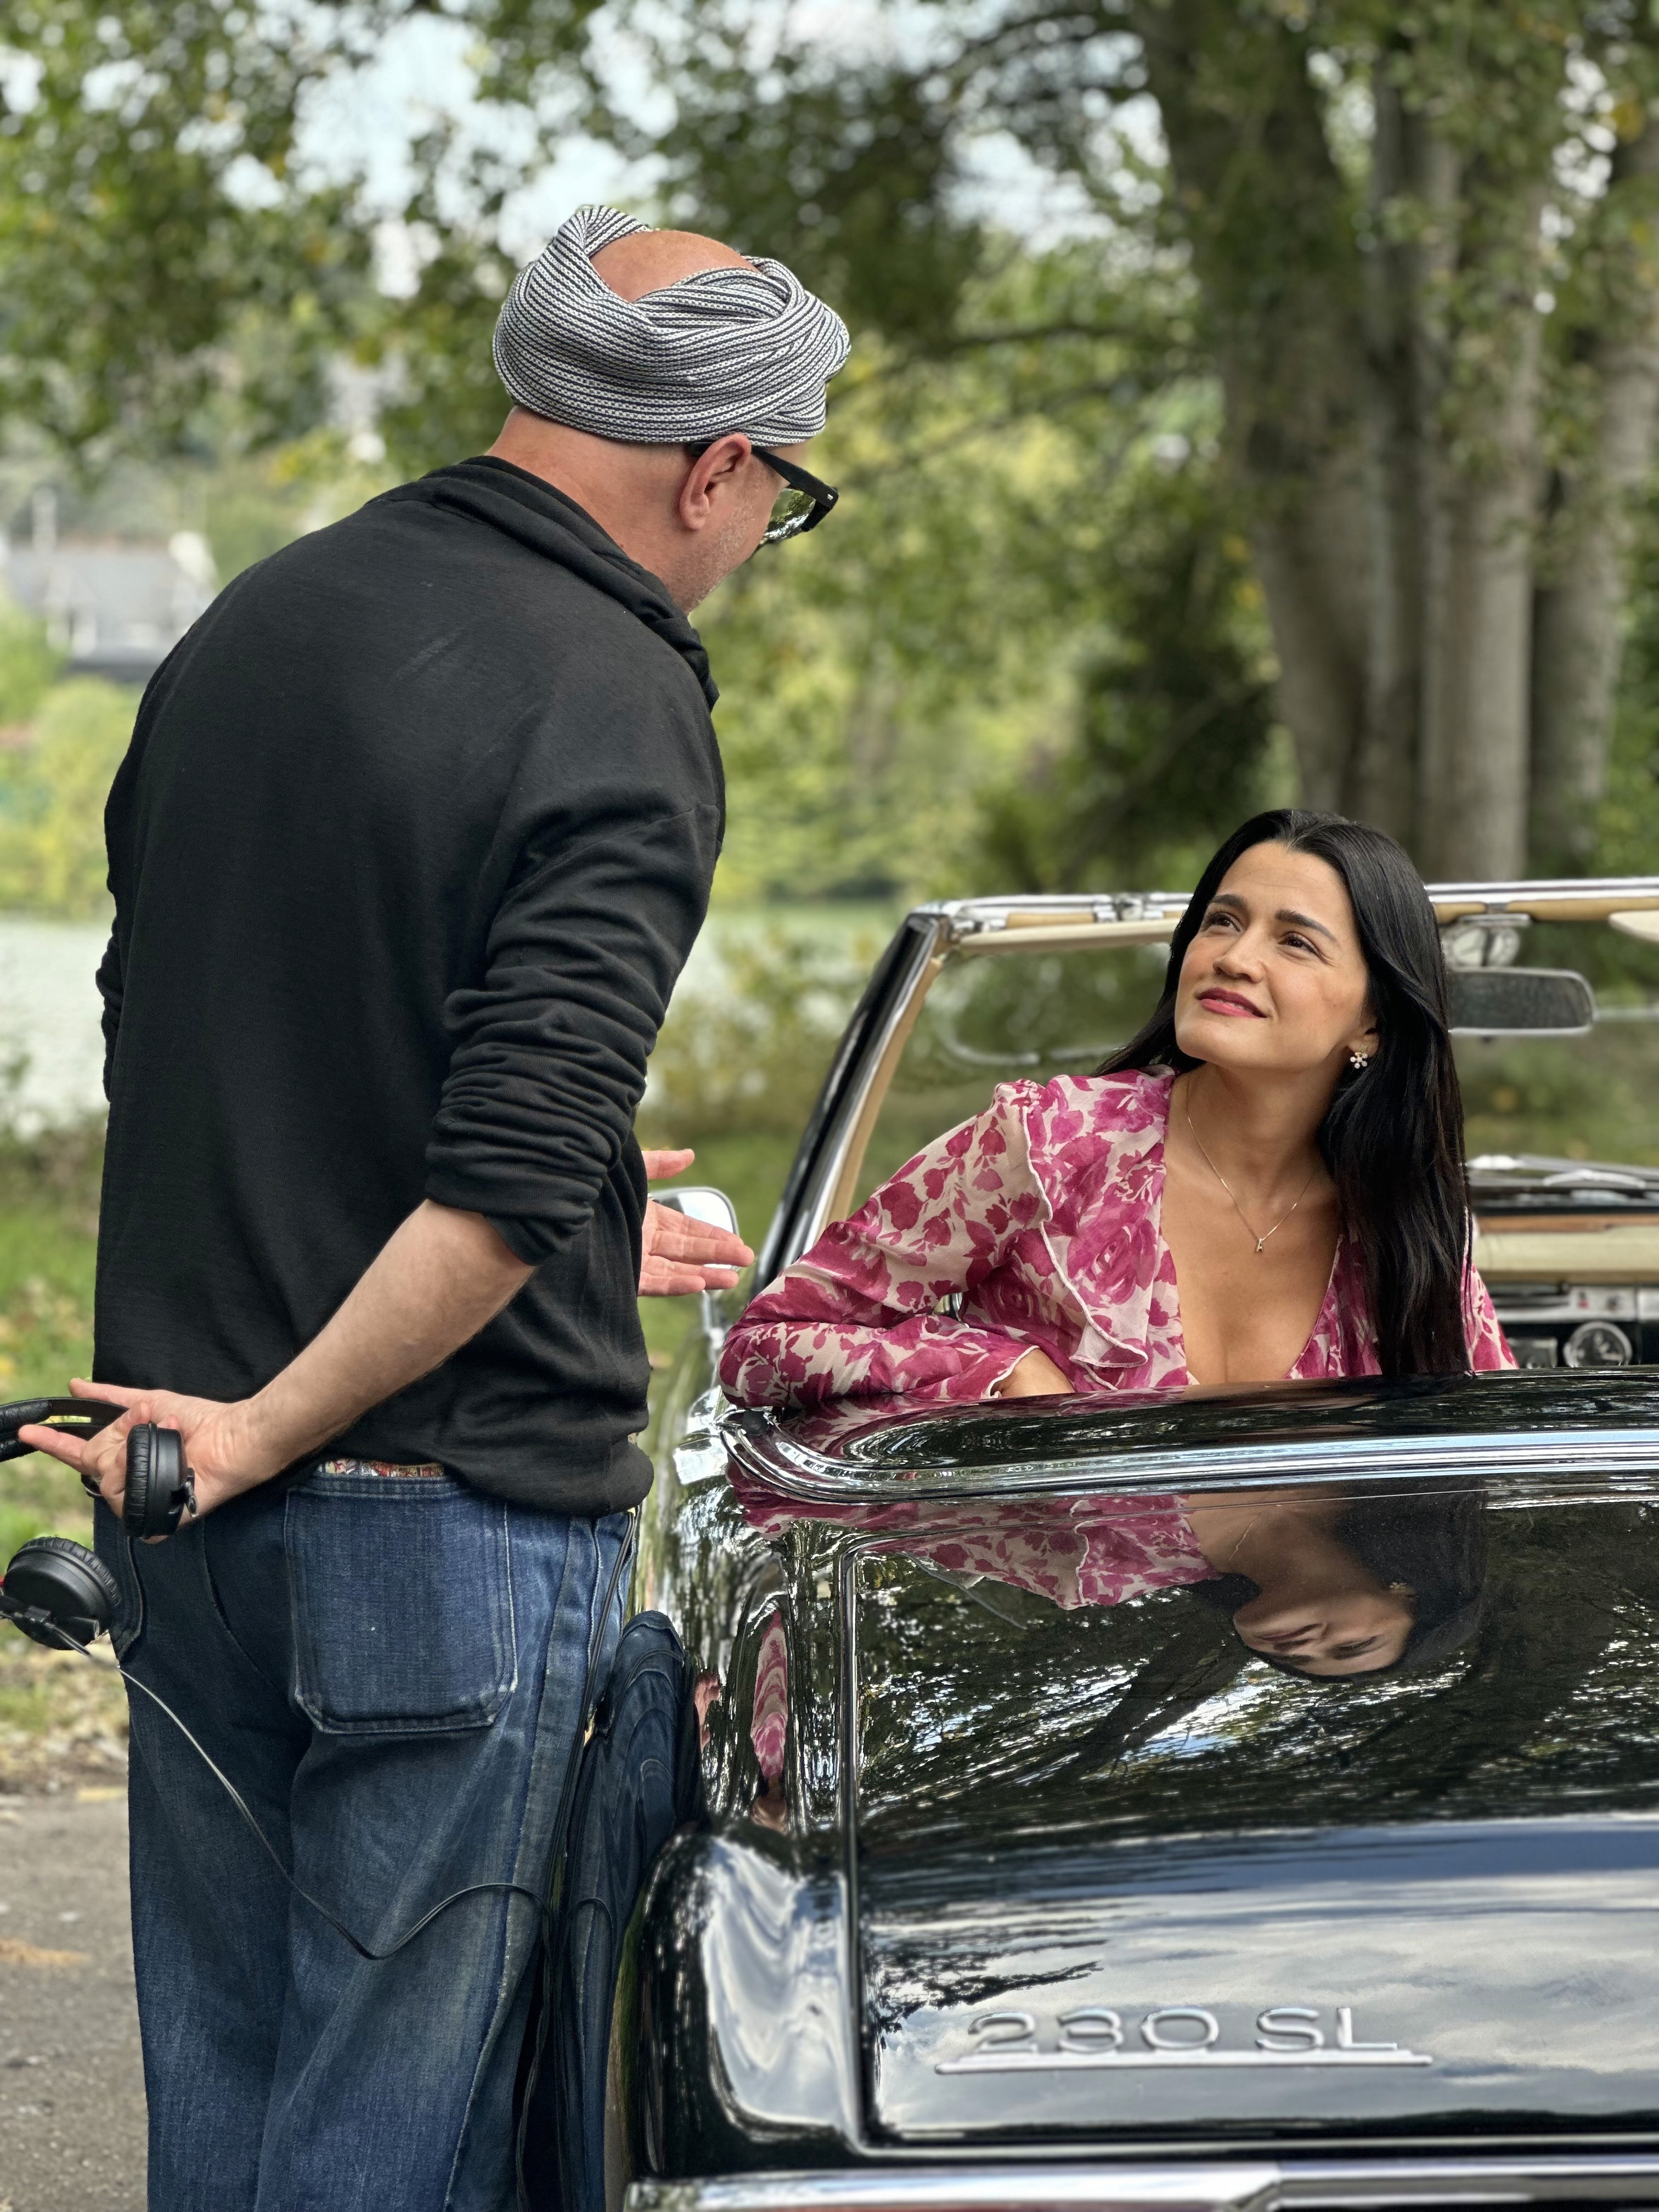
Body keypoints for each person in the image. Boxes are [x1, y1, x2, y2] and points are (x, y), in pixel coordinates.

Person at [20, 204, 849, 2212]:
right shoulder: (616, 684)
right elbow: (487, 1180)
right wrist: (288, 1417)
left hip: (182, 1501)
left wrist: (226, 1431)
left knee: (226, 2101)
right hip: (438, 1526)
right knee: (396, 2137)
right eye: (785, 493)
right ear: (718, 464)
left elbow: (194, 1040)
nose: (758, 539)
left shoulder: (257, 622)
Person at [719, 809, 1514, 1408]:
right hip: (1026, 1622)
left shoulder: (1406, 1223)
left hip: (1292, 1623)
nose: (1234, 958)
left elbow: (1498, 1463)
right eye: (1223, 922)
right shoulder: (1047, 1144)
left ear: (1371, 1019)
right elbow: (762, 1348)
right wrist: (993, 1370)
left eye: (1295, 942)